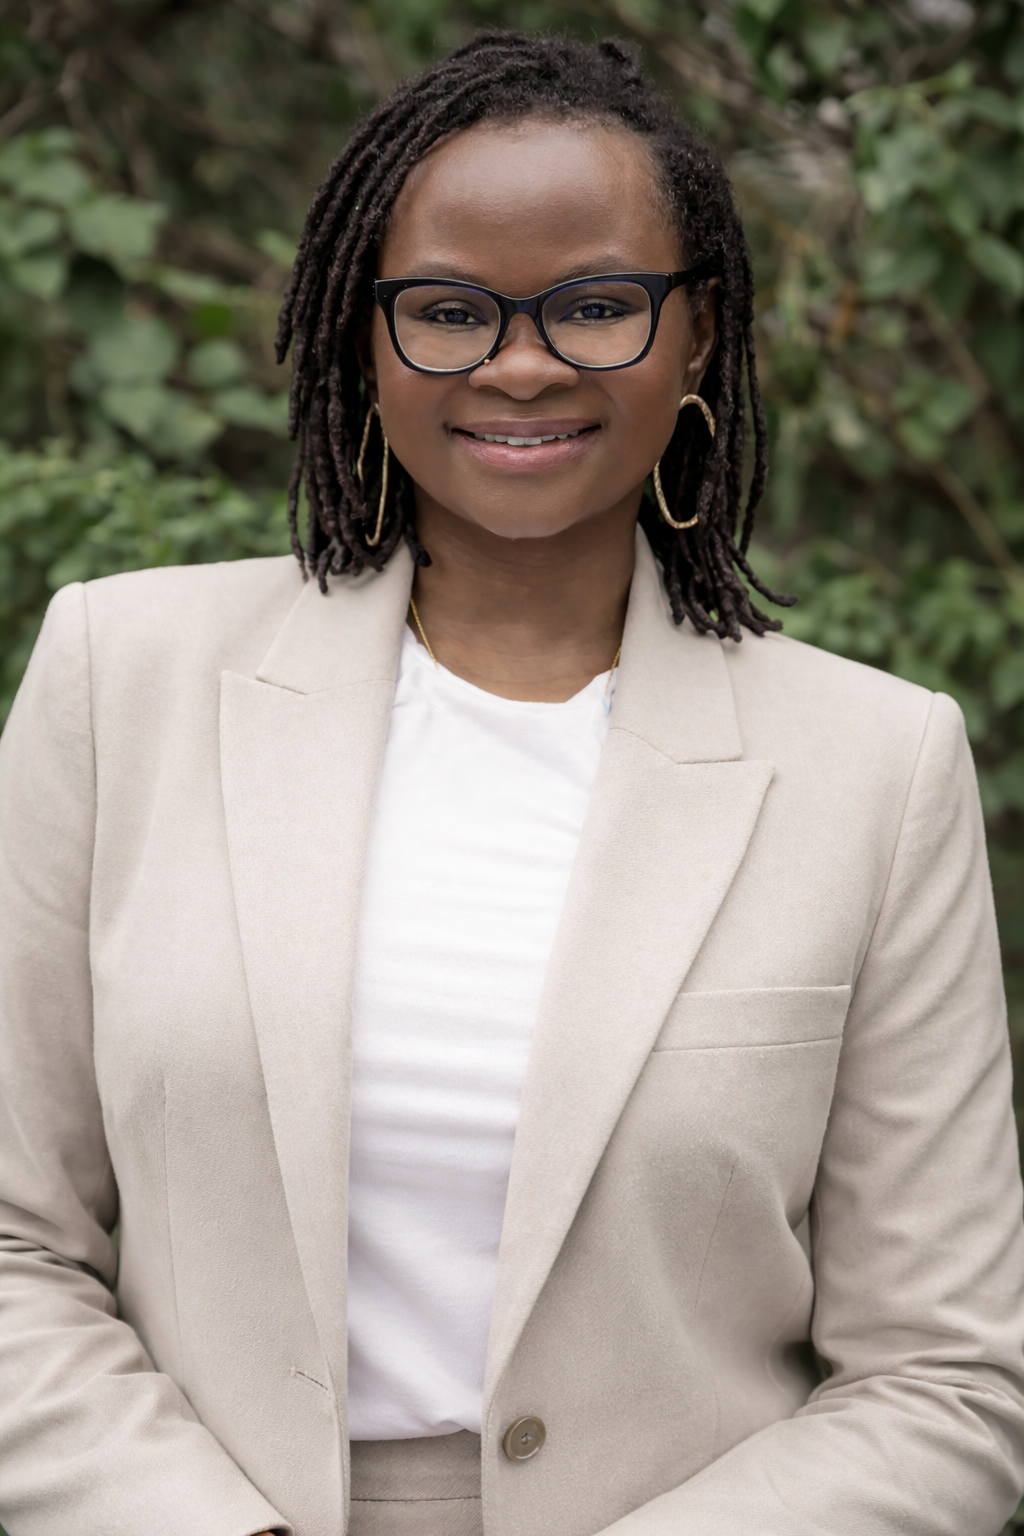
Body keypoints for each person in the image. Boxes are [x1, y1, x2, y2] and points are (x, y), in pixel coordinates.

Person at [0, 27, 1021, 1536]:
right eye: (448, 311)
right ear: (361, 334)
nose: (522, 363)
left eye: (598, 306)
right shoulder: (119, 677)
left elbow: (948, 1380)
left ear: (700, 334)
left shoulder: (875, 769)